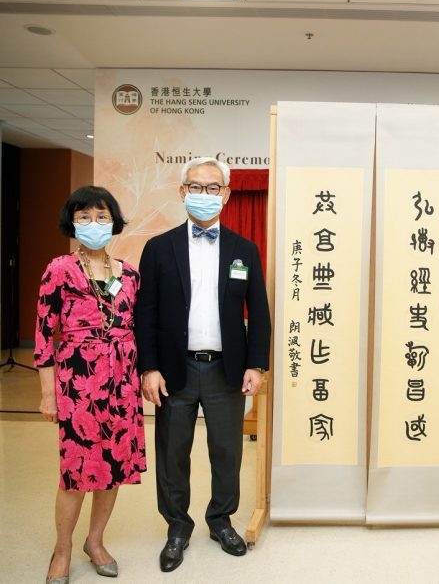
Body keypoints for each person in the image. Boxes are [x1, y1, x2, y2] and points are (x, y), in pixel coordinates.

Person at [135, 157, 271, 572]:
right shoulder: (159, 248)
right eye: (196, 187)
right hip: (174, 370)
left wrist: (257, 364)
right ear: (182, 193)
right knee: (173, 453)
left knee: (226, 451)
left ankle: (220, 520)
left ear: (226, 195)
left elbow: (259, 312)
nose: (204, 195)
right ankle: (177, 527)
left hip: (225, 370)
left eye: (213, 188)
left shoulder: (243, 249)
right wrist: (149, 367)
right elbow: (145, 313)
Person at [35, 186, 146, 584]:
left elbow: (140, 328)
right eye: (84, 217)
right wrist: (49, 393)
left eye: (101, 216)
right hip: (79, 385)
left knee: (113, 469)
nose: (93, 224)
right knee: (76, 472)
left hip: (123, 385)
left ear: (114, 221)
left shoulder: (130, 273)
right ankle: (62, 550)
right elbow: (44, 336)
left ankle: (95, 541)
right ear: (72, 222)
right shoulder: (59, 270)